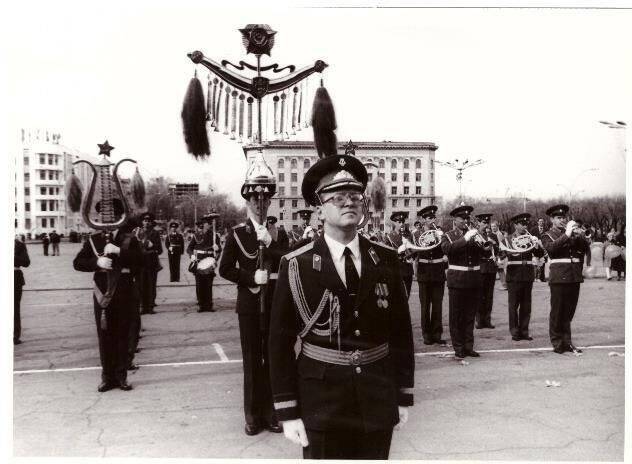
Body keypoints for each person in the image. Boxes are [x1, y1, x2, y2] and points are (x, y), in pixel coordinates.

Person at [269, 153, 414, 459]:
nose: (349, 203)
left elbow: (401, 334)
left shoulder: (385, 259)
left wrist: (403, 395)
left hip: (376, 396)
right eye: (338, 197)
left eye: (355, 196)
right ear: (319, 209)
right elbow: (279, 343)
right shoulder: (296, 264)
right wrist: (288, 410)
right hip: (321, 402)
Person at [219, 189, 289, 436]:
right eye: (253, 200)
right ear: (247, 202)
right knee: (251, 361)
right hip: (249, 306)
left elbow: (288, 261)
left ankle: (271, 413)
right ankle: (251, 415)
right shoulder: (238, 233)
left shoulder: (278, 234)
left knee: (271, 358)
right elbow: (225, 268)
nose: (259, 204)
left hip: (272, 305)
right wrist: (250, 277)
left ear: (270, 202)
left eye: (264, 200)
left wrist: (270, 245)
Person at [73, 199, 143, 391]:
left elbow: (142, 261)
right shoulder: (93, 240)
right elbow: (78, 263)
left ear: (119, 217)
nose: (106, 219)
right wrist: (97, 263)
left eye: (111, 214)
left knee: (122, 334)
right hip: (102, 293)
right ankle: (107, 377)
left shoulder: (130, 238)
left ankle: (121, 377)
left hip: (124, 291)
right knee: (104, 336)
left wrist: (120, 251)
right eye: (103, 215)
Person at [541, 204, 589, 354]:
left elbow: (584, 248)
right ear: (552, 219)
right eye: (559, 218)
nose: (562, 220)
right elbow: (552, 249)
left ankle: (567, 341)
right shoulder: (547, 234)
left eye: (564, 217)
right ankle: (557, 342)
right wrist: (567, 234)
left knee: (569, 311)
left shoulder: (573, 234)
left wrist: (580, 235)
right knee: (558, 311)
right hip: (559, 277)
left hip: (574, 276)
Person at [441, 205, 485, 359]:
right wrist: (465, 238)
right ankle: (458, 347)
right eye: (462, 218)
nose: (465, 221)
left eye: (467, 218)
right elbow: (448, 250)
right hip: (457, 280)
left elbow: (485, 252)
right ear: (455, 219)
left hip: (473, 280)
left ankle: (468, 346)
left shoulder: (474, 235)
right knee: (456, 316)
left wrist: (485, 243)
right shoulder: (448, 236)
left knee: (469, 315)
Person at [503, 213, 545, 341]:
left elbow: (539, 254)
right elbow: (502, 253)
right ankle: (515, 331)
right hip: (514, 274)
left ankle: (524, 331)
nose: (525, 226)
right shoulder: (508, 239)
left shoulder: (531, 238)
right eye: (522, 224)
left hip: (527, 274)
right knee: (513, 305)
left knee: (526, 305)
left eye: (526, 224)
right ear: (516, 225)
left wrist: (537, 244)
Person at [413, 205, 447, 345]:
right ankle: (426, 334)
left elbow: (446, 249)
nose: (432, 220)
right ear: (423, 220)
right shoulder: (416, 234)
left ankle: (437, 334)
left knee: (438, 304)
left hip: (438, 271)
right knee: (425, 305)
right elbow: (414, 252)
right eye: (429, 218)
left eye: (433, 217)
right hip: (424, 271)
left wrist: (441, 238)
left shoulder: (440, 232)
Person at [187, 215, 222, 312]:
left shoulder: (215, 236)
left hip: (209, 261)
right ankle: (202, 305)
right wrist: (192, 256)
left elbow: (220, 250)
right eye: (207, 223)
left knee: (208, 285)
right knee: (200, 284)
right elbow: (189, 248)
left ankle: (209, 305)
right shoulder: (197, 235)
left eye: (210, 223)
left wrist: (217, 248)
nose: (209, 225)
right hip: (199, 262)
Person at [475, 214, 499, 329]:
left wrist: (495, 245)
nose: (486, 225)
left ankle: (487, 320)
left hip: (491, 267)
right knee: (479, 295)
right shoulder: (475, 235)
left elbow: (498, 250)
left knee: (489, 295)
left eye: (487, 223)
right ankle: (479, 320)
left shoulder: (492, 235)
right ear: (478, 223)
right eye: (483, 223)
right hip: (480, 266)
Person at [136, 212, 163, 314]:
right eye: (145, 221)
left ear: (151, 222)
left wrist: (152, 245)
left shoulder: (155, 233)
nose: (147, 223)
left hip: (151, 262)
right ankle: (143, 306)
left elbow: (160, 250)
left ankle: (150, 306)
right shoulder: (137, 232)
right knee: (141, 284)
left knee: (151, 284)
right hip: (141, 262)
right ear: (142, 222)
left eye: (149, 221)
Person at [384, 211, 415, 298]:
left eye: (402, 222)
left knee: (406, 296)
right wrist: (397, 251)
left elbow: (414, 250)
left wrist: (412, 256)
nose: (401, 224)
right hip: (395, 270)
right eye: (399, 222)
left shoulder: (408, 235)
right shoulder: (389, 236)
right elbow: (386, 254)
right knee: (395, 297)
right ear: (394, 222)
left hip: (407, 269)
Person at [14, 237, 30, 345]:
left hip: (15, 278)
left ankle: (15, 335)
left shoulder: (19, 244)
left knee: (14, 308)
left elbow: (26, 262)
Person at [530, 218, 548, 282]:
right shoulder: (533, 229)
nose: (541, 223)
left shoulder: (546, 229)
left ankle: (542, 277)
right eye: (540, 221)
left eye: (542, 221)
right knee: (535, 263)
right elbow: (531, 239)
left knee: (542, 263)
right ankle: (535, 277)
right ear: (538, 222)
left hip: (543, 249)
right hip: (535, 248)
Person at [490, 221, 507, 288]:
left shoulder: (499, 234)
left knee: (500, 269)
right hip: (492, 254)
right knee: (498, 269)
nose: (493, 228)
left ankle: (504, 284)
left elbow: (501, 245)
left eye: (494, 226)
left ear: (497, 227)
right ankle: (504, 284)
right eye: (492, 226)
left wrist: (498, 255)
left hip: (498, 254)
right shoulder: (491, 234)